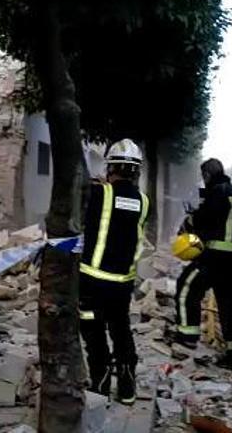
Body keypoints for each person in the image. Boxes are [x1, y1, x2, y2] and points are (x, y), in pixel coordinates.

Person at [79, 139, 149, 404]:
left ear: (111, 167)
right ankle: (128, 386)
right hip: (123, 284)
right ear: (136, 171)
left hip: (92, 281)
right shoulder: (144, 202)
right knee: (121, 330)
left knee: (93, 332)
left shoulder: (100, 194)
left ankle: (101, 383)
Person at [171, 158, 232, 371]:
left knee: (187, 285)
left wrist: (189, 221)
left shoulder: (218, 193)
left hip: (218, 257)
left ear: (207, 176)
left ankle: (187, 336)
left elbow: (204, 222)